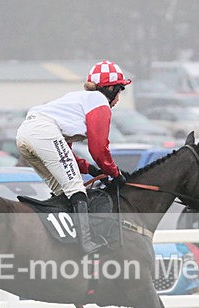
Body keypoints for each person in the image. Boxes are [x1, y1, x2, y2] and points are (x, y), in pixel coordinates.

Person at [16, 60, 130, 254]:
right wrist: (115, 173)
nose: (118, 98)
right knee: (75, 187)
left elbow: (66, 152)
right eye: (120, 91)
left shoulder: (78, 100)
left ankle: (61, 240)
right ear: (111, 88)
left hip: (25, 134)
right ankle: (86, 243)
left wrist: (91, 169)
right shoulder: (100, 102)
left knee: (62, 191)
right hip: (42, 132)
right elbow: (99, 149)